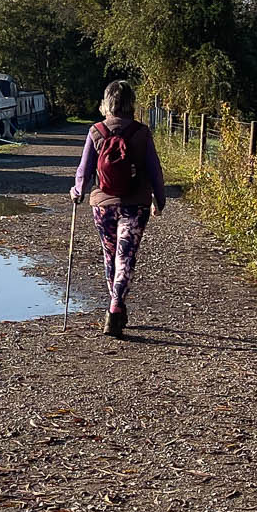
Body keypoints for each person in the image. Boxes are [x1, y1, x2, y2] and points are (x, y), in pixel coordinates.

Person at [70, 80, 167, 338]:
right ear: (131, 103)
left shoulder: (96, 131)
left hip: (103, 204)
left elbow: (85, 168)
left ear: (106, 102)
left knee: (110, 254)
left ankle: (117, 305)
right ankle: (115, 308)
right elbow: (154, 169)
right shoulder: (142, 132)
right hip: (135, 205)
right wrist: (160, 198)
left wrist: (78, 191)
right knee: (126, 256)